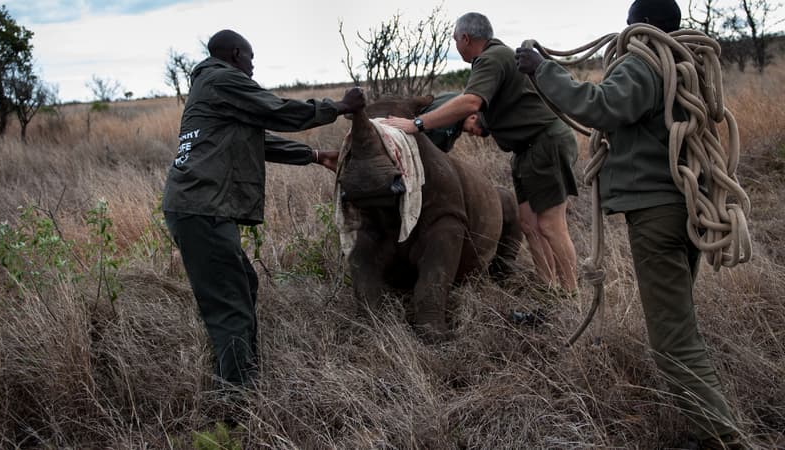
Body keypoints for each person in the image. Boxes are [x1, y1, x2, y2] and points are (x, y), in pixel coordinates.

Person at [515, 1, 743, 448]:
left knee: (672, 339)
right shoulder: (683, 63)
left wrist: (544, 69)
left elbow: (598, 106)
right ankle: (704, 425)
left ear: (638, 26)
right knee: (680, 324)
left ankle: (721, 436)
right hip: (685, 208)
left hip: (657, 215)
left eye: (628, 26)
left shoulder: (643, 62)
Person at [162, 29, 364, 387]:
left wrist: (315, 156)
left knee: (241, 284)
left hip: (196, 207)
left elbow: (256, 140)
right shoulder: (223, 79)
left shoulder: (209, 86)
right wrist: (340, 106)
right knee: (230, 304)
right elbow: (278, 110)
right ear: (237, 54)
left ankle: (240, 371)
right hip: (202, 207)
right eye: (251, 60)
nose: (253, 69)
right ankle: (237, 397)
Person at [383, 13, 579, 294]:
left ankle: (570, 297)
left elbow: (472, 101)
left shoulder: (491, 57)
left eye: (455, 40)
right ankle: (548, 290)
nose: (455, 45)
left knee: (550, 224)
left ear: (465, 38)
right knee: (528, 224)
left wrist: (417, 124)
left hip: (545, 143)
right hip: (526, 150)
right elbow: (490, 110)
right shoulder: (492, 60)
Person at [420, 92, 490, 152]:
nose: (470, 134)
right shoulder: (449, 121)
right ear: (473, 118)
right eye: (471, 130)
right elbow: (433, 148)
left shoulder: (461, 97)